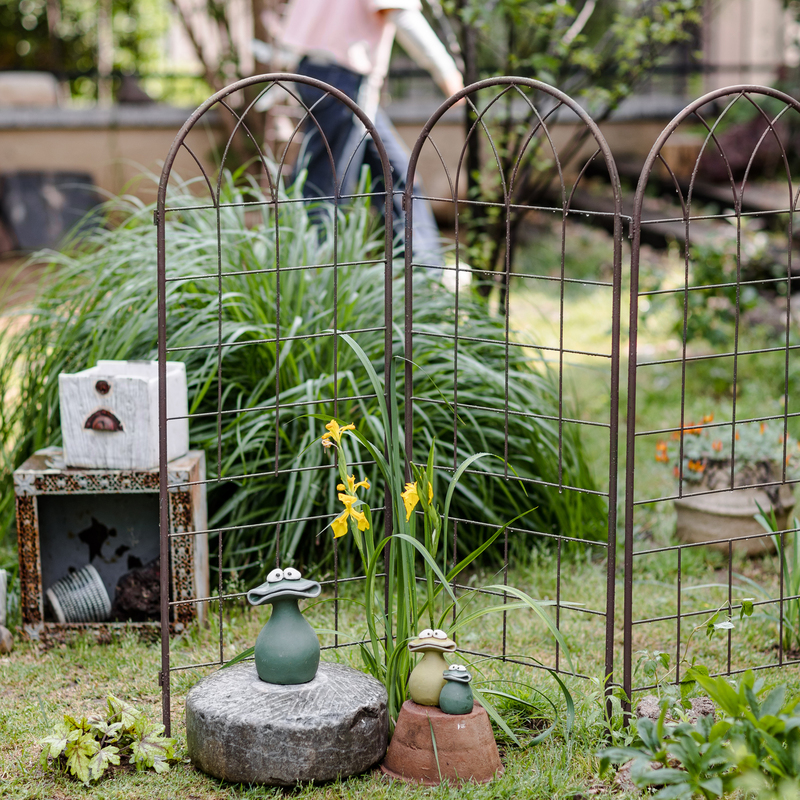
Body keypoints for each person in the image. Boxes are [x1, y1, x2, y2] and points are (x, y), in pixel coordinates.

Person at [279, 0, 464, 265]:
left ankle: (423, 272)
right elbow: (399, 12)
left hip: (324, 70)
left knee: (394, 174)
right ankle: (308, 275)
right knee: (327, 188)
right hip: (344, 79)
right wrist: (446, 71)